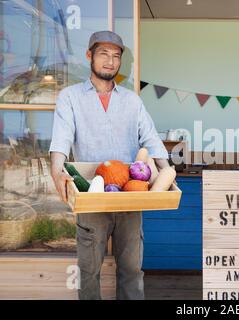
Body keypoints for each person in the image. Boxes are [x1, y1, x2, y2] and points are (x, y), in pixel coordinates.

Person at [49, 31, 170, 300]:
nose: (110, 61)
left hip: (130, 194)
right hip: (93, 197)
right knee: (88, 269)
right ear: (89, 56)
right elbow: (62, 138)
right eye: (104, 53)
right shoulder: (71, 97)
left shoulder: (132, 100)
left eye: (116, 56)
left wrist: (167, 170)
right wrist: (57, 172)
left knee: (131, 269)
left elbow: (150, 138)